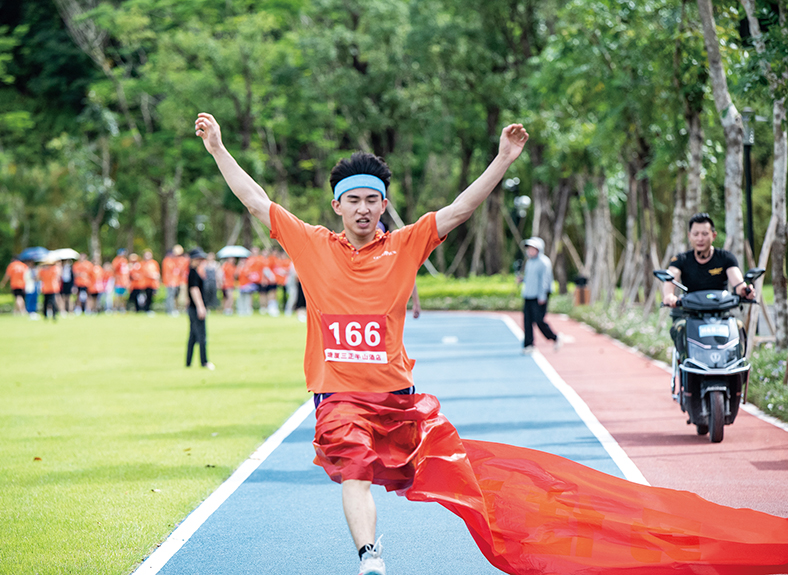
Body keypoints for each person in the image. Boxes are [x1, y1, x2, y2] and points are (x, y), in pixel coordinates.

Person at [196, 111, 529, 575]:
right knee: (354, 466)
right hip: (338, 394)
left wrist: (503, 158)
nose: (363, 209)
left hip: (394, 397)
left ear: (384, 204)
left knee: (442, 473)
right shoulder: (311, 245)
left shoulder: (406, 244)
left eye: (372, 200)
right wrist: (217, 149)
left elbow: (459, 210)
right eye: (353, 200)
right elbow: (256, 200)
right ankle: (369, 556)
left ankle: (517, 524)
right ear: (337, 205)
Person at [662, 212, 756, 358]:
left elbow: (738, 282)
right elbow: (670, 278)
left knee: (739, 327)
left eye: (705, 234)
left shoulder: (726, 258)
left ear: (713, 235)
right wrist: (669, 296)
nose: (700, 238)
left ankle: (737, 368)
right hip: (691, 316)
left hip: (721, 317)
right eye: (696, 234)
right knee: (679, 328)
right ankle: (684, 366)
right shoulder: (681, 260)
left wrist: (745, 290)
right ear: (689, 236)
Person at [518, 237, 560, 354]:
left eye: (532, 248)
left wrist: (542, 296)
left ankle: (554, 337)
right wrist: (522, 280)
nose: (530, 251)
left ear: (538, 249)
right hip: (528, 295)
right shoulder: (529, 262)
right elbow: (530, 278)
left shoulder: (544, 262)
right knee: (527, 321)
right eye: (529, 249)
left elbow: (545, 281)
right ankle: (528, 344)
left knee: (539, 320)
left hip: (539, 297)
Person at [185, 247, 214, 370]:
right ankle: (204, 361)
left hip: (192, 308)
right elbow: (194, 290)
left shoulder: (193, 272)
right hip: (195, 308)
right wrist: (200, 306)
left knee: (192, 336)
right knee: (201, 335)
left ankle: (188, 362)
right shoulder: (193, 273)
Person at [38, 256, 61, 320]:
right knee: (45, 302)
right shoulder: (43, 271)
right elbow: (39, 277)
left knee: (52, 302)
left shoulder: (53, 269)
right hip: (46, 288)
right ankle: (45, 315)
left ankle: (54, 315)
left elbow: (58, 273)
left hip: (52, 288)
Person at [141, 249, 160, 314]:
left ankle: (148, 309)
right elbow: (143, 273)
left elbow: (157, 272)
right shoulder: (142, 263)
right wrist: (151, 275)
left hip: (152, 284)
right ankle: (145, 309)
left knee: (150, 297)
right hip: (144, 283)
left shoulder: (154, 263)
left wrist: (157, 278)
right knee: (144, 297)